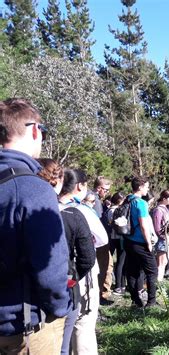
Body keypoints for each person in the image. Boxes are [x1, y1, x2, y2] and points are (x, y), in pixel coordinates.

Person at [0, 98, 70, 354]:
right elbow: (51, 265)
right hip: (23, 325)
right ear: (33, 129)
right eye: (43, 130)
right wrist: (60, 307)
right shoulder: (34, 190)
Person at [37, 159, 96, 355]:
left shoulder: (17, 206)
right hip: (63, 289)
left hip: (20, 297)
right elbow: (88, 257)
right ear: (59, 180)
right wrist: (73, 278)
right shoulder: (73, 215)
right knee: (62, 346)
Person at [60, 168, 105, 355]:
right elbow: (102, 239)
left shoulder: (45, 205)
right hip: (80, 276)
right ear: (80, 186)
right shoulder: (80, 211)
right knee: (83, 325)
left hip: (55, 277)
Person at [123, 176, 158, 308]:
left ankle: (136, 300)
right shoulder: (141, 203)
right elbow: (143, 225)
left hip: (128, 241)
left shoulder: (128, 200)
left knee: (132, 271)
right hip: (141, 242)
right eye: (147, 186)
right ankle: (151, 302)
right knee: (152, 271)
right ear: (140, 187)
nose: (148, 189)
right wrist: (149, 242)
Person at [92, 176, 114, 304]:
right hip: (99, 241)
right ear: (99, 188)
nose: (106, 192)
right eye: (105, 190)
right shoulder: (95, 201)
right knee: (105, 267)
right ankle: (102, 295)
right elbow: (97, 221)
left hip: (98, 240)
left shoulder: (96, 200)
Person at [152, 190, 169, 281]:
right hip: (163, 241)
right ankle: (157, 284)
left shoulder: (165, 209)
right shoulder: (158, 210)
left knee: (164, 262)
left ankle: (159, 282)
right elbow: (157, 227)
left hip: (168, 240)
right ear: (164, 199)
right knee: (161, 263)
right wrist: (163, 237)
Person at [107, 192, 127, 295]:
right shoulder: (116, 210)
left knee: (119, 261)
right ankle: (119, 285)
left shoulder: (109, 210)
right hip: (120, 238)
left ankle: (121, 284)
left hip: (113, 237)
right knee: (120, 261)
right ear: (119, 201)